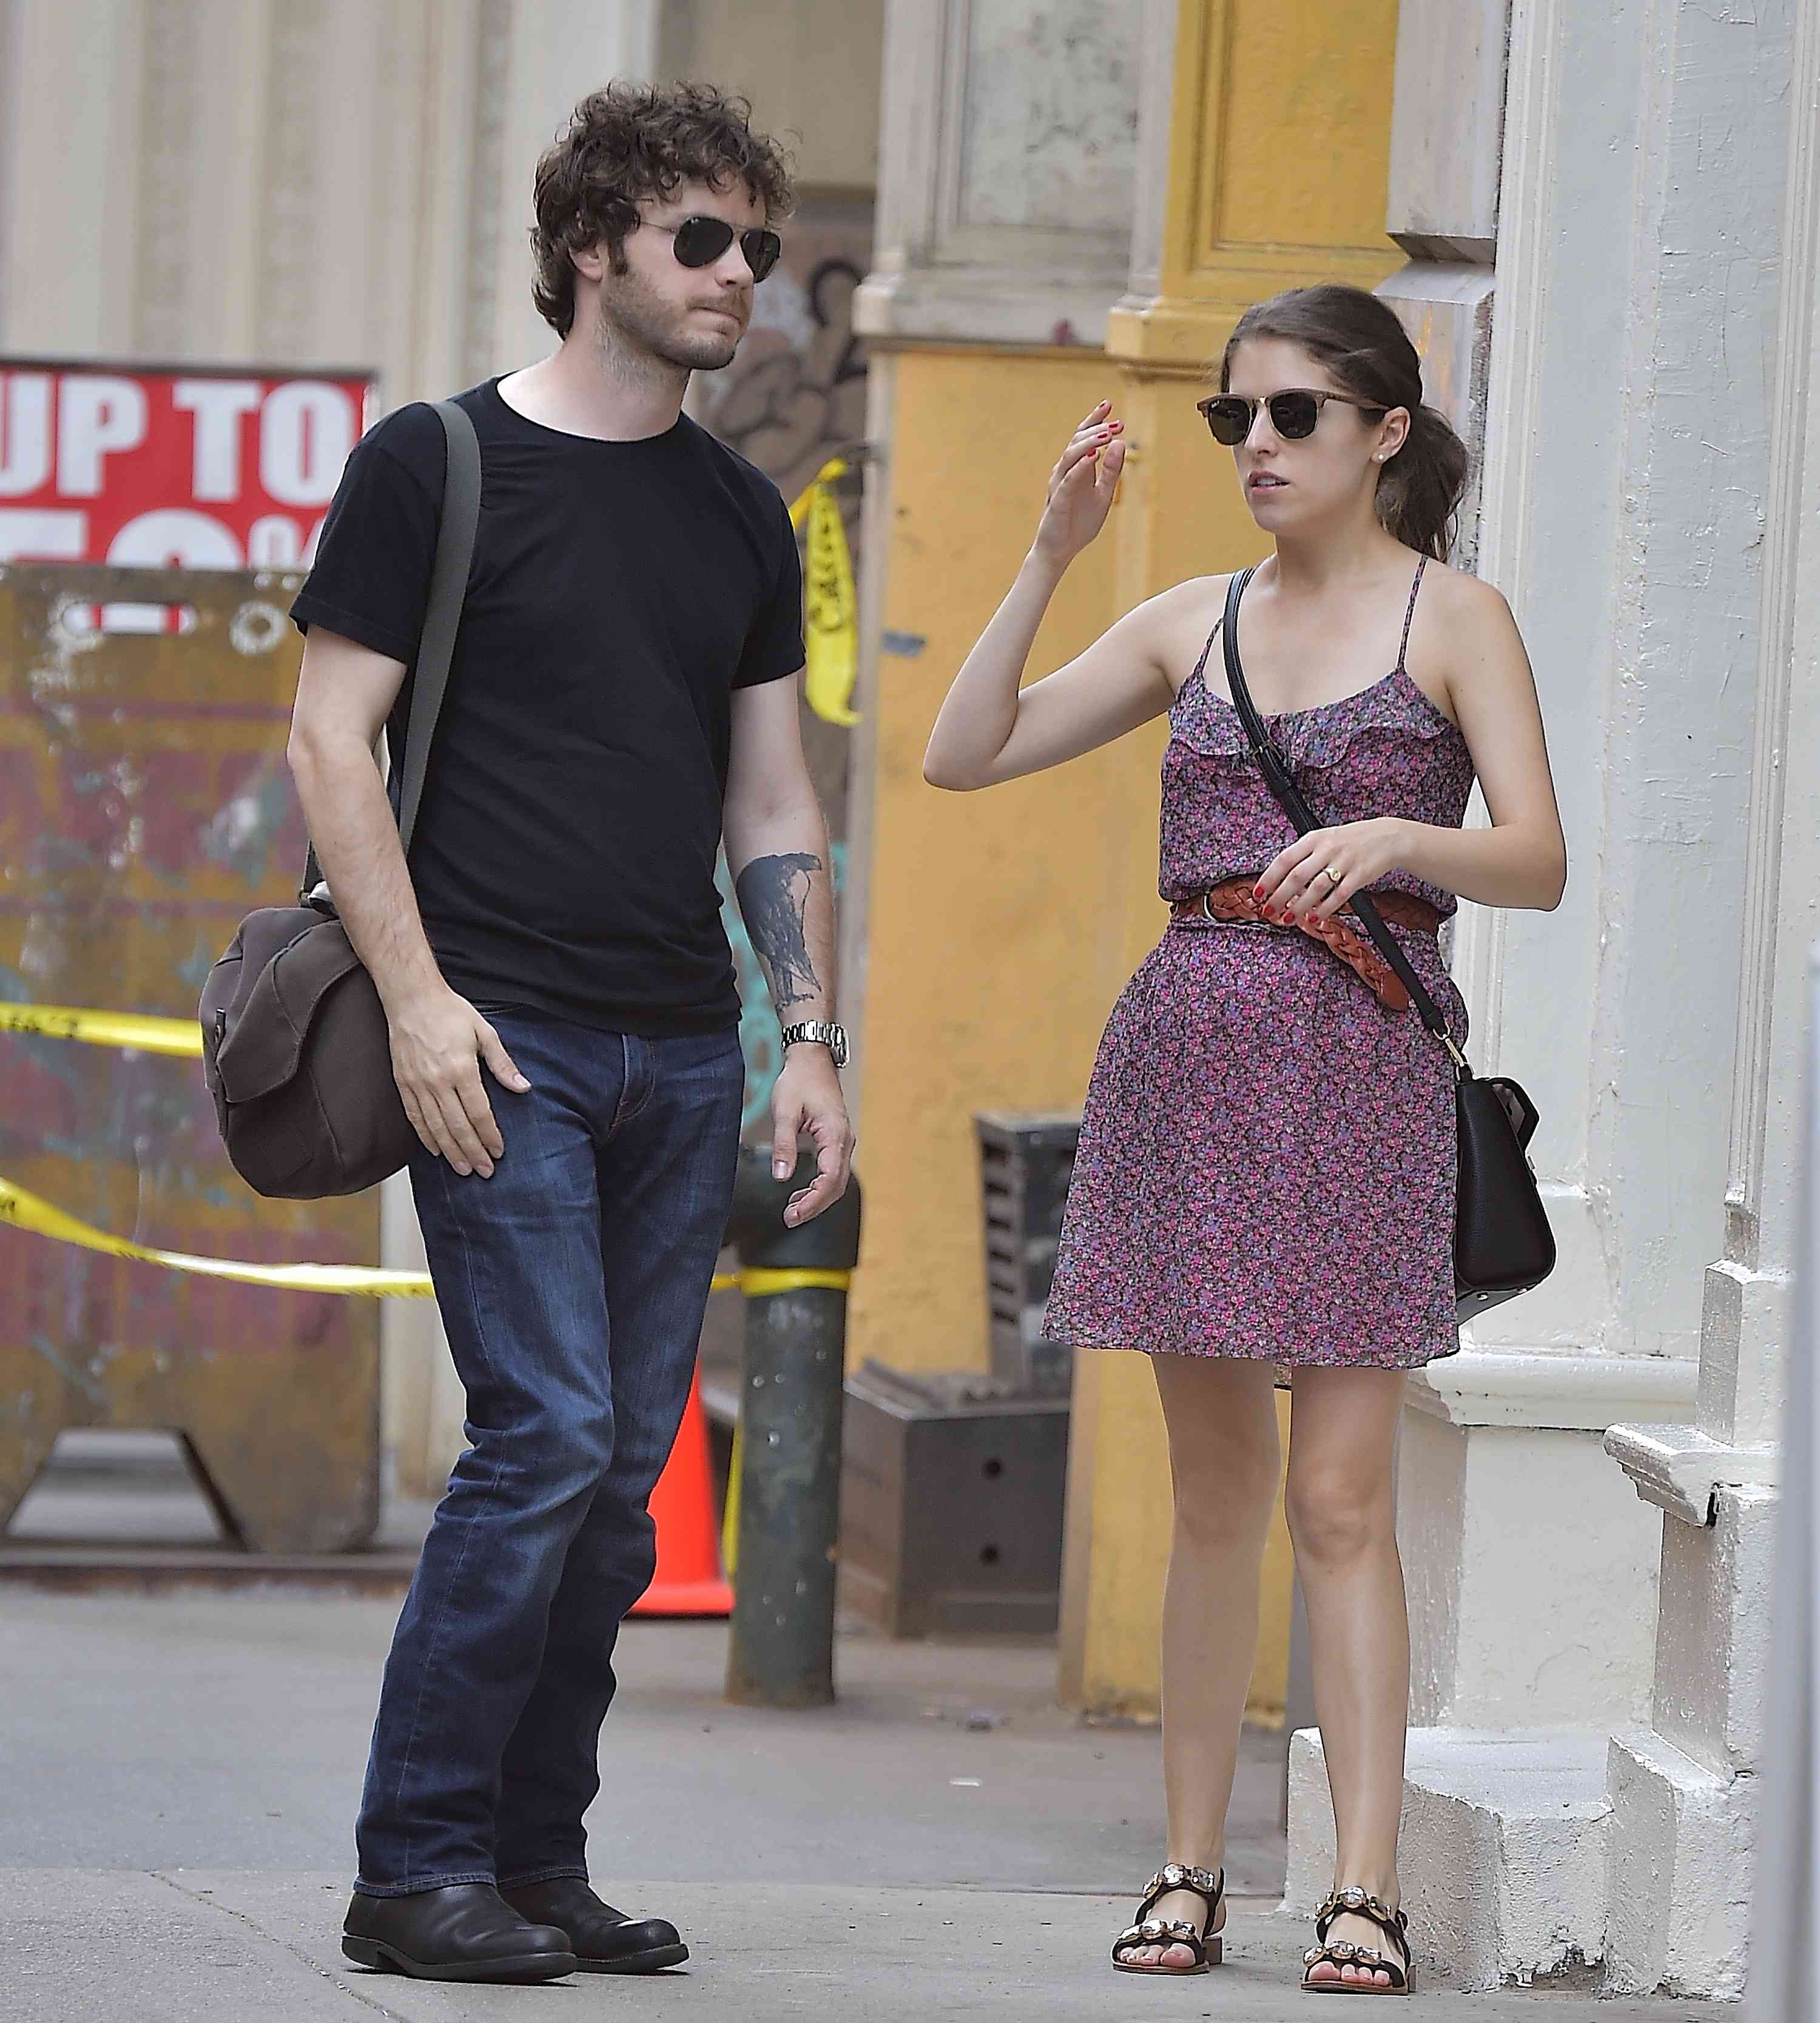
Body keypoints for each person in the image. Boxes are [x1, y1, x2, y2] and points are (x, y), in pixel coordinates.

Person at [923, 283, 1566, 1993]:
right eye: (1235, 420)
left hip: (1359, 1068)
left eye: (1293, 415)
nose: (1259, 447)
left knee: (1345, 1495)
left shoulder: (1457, 617)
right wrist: (1056, 550)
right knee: (1217, 1495)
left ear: (1385, 433)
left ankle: (1363, 1890)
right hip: (1189, 1065)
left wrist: (1395, 833)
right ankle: (1187, 1872)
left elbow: (1542, 856)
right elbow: (960, 751)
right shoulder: (1186, 619)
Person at [286, 81, 853, 1985]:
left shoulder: (737, 514)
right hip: (498, 1037)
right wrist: (422, 999)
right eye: (706, 240)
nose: (742, 280)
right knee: (543, 1439)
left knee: (616, 1487)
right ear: (593, 246)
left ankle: (533, 1862)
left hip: (681, 1051)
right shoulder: (432, 466)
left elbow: (772, 802)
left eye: (760, 251)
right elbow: (329, 741)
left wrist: (811, 1033)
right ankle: (412, 1863)